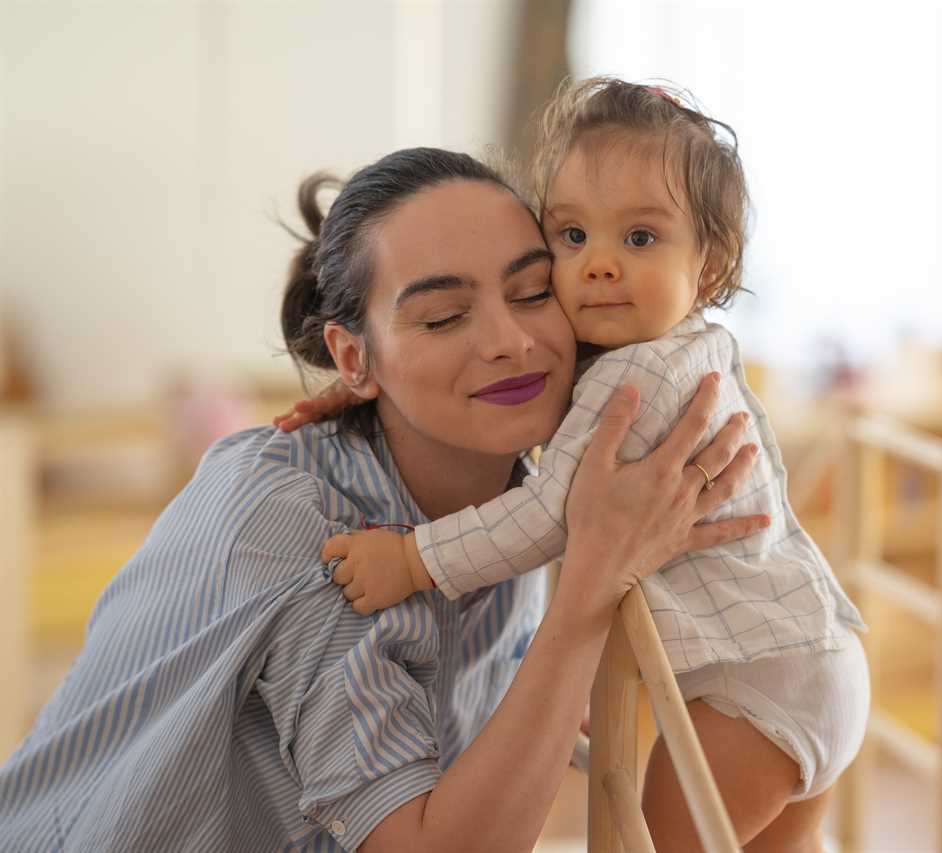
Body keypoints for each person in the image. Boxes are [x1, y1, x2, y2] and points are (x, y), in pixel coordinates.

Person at [0, 147, 766, 852]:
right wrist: (590, 593)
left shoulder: (512, 487)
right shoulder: (303, 531)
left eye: (533, 292)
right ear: (352, 358)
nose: (511, 340)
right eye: (442, 316)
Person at [282, 78, 871, 852]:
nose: (598, 265)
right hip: (808, 668)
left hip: (755, 693)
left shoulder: (634, 382)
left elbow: (549, 510)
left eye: (639, 239)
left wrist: (412, 559)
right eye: (570, 237)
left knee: (641, 842)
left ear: (714, 262)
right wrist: (368, 389)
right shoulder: (681, 348)